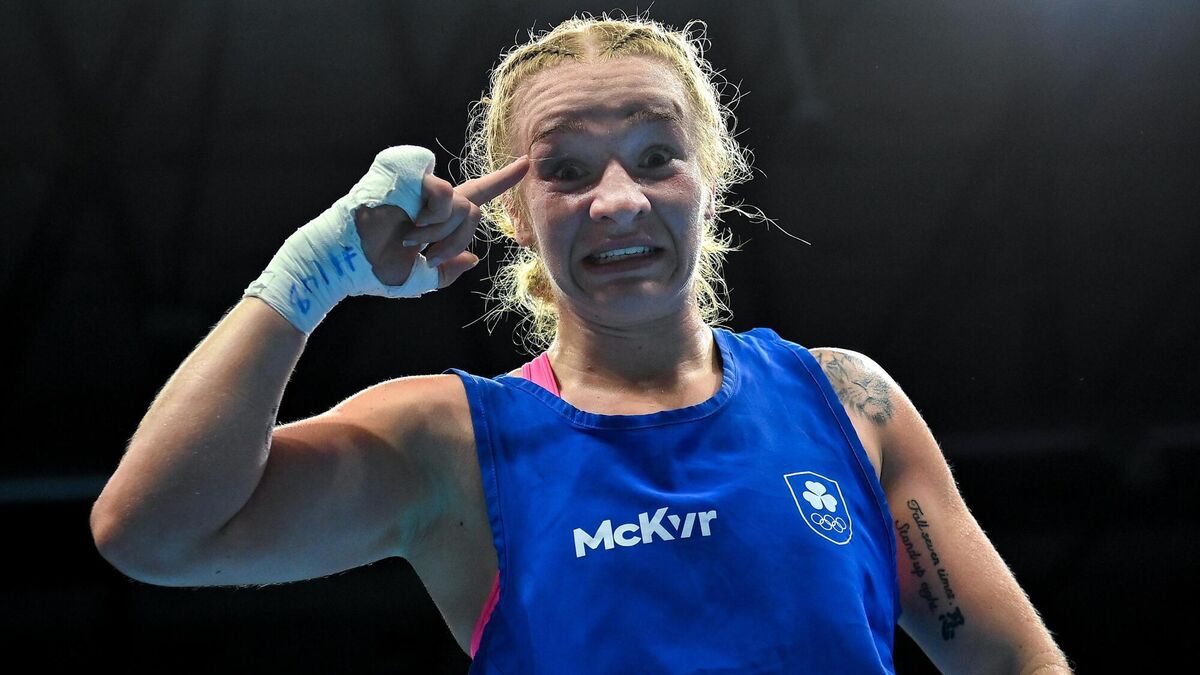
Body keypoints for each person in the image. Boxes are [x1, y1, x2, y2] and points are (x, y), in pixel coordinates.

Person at [90, 14, 1071, 674]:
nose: (618, 200)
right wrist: (307, 277)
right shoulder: (451, 444)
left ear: (709, 182)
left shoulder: (848, 402)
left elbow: (1014, 660)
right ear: (514, 214)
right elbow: (152, 534)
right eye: (564, 170)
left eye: (656, 155)